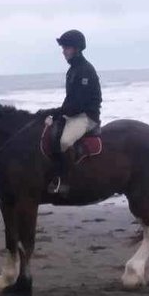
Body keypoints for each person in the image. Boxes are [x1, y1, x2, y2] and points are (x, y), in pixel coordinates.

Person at [48, 30, 101, 194]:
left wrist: (55, 113)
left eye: (67, 47)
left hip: (86, 117)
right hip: (74, 114)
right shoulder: (72, 70)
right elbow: (70, 101)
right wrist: (55, 114)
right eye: (63, 47)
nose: (63, 51)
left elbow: (78, 104)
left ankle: (66, 180)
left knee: (65, 141)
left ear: (77, 49)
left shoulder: (85, 70)